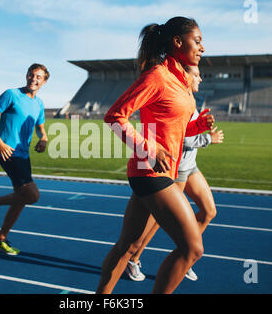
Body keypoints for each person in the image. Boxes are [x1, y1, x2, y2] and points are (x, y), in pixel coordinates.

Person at [96, 16, 214, 294]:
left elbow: (173, 127)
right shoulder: (158, 76)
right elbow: (114, 116)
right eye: (197, 41)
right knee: (192, 248)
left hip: (160, 173)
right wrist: (151, 148)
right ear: (177, 42)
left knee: (129, 246)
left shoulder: (180, 80)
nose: (202, 48)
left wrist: (198, 126)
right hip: (150, 172)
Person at [125, 65, 224, 282]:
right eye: (196, 75)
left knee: (209, 212)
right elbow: (182, 138)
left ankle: (185, 256)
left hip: (191, 166)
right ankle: (134, 259)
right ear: (185, 76)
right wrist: (209, 139)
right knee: (158, 221)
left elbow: (188, 131)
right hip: (175, 167)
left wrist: (201, 125)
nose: (200, 79)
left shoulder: (191, 100)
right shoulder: (175, 96)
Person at [0, 63, 49, 255]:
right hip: (8, 153)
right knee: (32, 195)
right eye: (31, 75)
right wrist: (0, 143)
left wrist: (43, 138)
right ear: (26, 76)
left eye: (38, 77)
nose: (34, 79)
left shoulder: (39, 103)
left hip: (24, 155)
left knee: (21, 198)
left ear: (44, 81)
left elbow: (40, 127)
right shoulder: (12, 94)